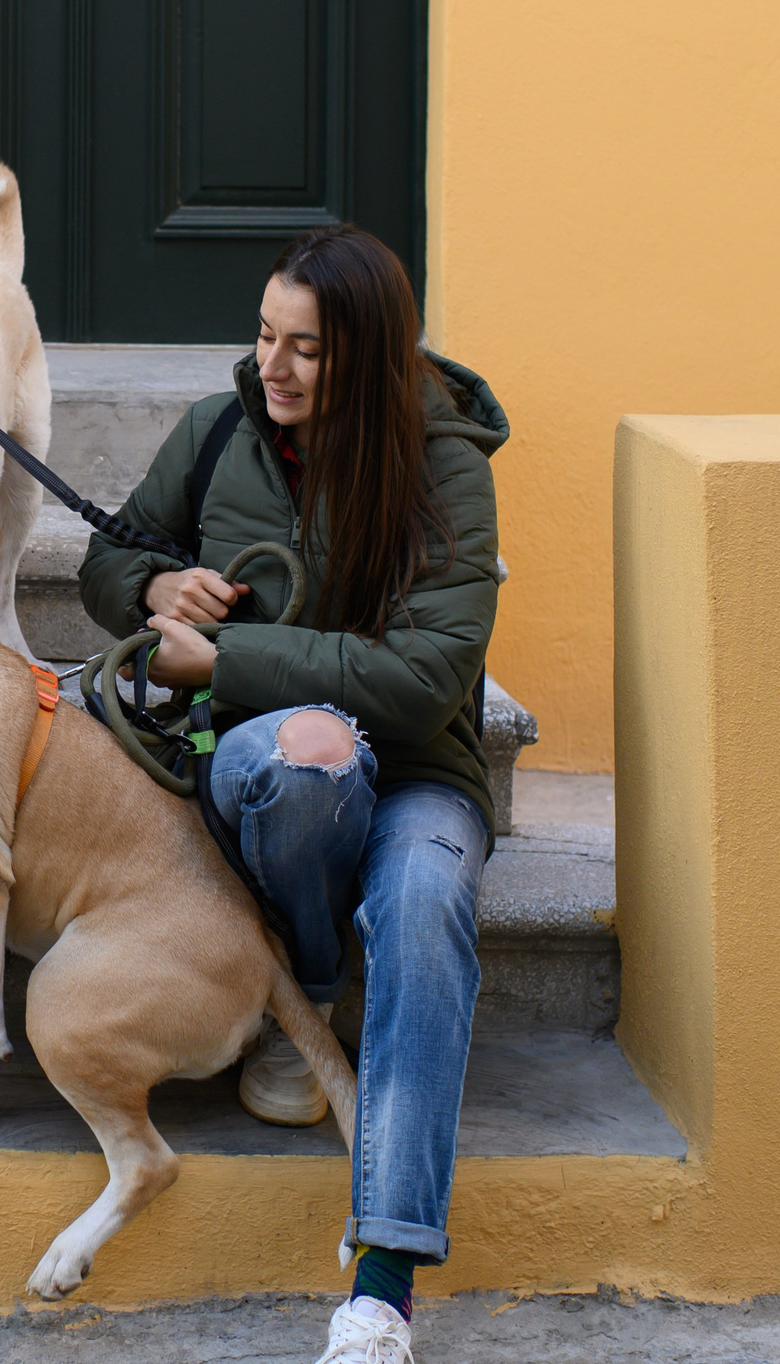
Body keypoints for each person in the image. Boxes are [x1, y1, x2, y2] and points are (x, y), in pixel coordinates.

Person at [78, 227, 506, 1364]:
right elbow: (107, 557)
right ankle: (307, 987)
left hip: (421, 774)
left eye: (306, 348)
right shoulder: (221, 431)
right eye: (265, 335)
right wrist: (154, 578)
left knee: (421, 904)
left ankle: (380, 1293)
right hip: (264, 769)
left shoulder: (443, 465)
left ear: (365, 356)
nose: (273, 365)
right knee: (301, 754)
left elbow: (422, 682)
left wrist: (228, 661)